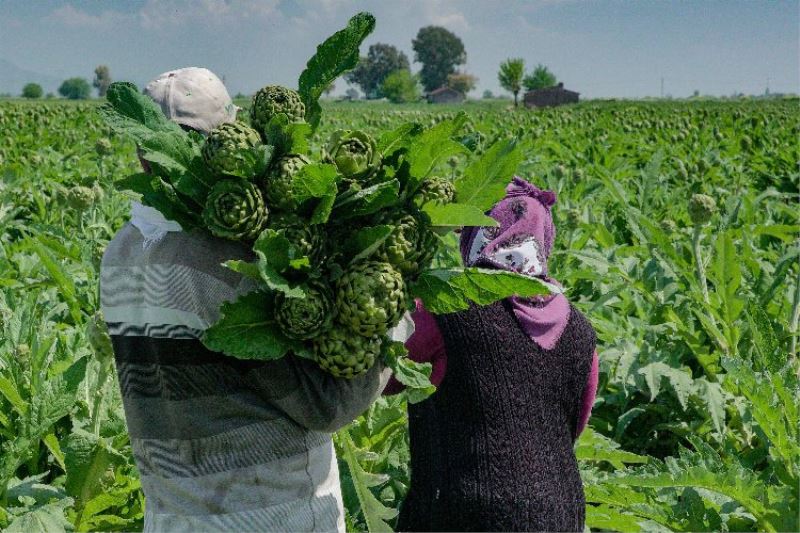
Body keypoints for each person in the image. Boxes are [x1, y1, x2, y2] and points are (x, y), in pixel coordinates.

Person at [100, 67, 392, 532]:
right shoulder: (230, 266)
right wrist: (388, 318)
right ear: (230, 139)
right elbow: (325, 407)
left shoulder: (119, 253)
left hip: (173, 516)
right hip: (273, 513)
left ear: (142, 151)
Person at [385, 177, 600, 532]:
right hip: (561, 511)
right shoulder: (580, 330)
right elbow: (573, 425)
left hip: (463, 511)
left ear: (477, 236)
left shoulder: (446, 306)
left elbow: (378, 374)